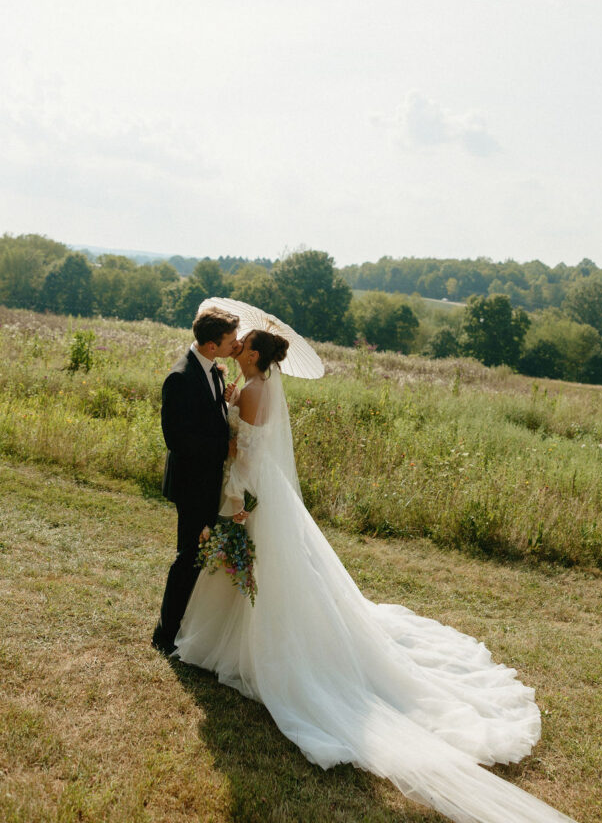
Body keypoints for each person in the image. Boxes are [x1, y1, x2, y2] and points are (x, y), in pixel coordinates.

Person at [175, 329, 578, 823]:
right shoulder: (252, 388)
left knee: (263, 568)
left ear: (255, 355)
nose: (235, 348)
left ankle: (263, 649)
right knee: (256, 568)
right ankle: (230, 640)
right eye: (233, 343)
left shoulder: (256, 391)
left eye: (242, 345)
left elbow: (250, 452)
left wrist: (234, 468)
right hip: (255, 489)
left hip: (251, 492)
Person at [152, 308, 242, 656]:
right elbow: (177, 439)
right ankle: (164, 634)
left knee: (199, 556)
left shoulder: (213, 370)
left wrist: (225, 404)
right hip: (191, 483)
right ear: (210, 344)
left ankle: (184, 625)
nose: (235, 345)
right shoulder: (180, 377)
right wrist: (225, 445)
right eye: (230, 340)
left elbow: (206, 419)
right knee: (188, 555)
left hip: (209, 480)